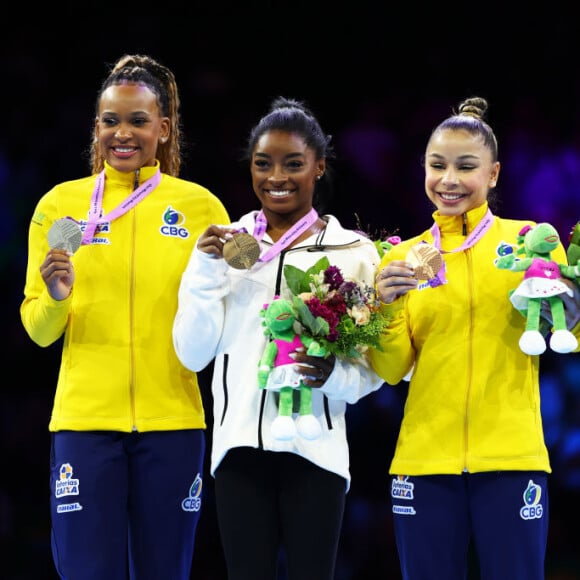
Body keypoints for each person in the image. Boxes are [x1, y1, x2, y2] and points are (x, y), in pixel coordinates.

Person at [20, 54, 230, 580]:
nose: (123, 133)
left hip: (174, 424)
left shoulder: (202, 207)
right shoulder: (61, 207)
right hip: (85, 427)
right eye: (111, 120)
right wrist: (58, 295)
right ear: (97, 127)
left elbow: (238, 301)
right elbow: (40, 332)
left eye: (138, 121)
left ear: (163, 128)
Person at [172, 96, 385, 580]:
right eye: (263, 164)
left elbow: (376, 369)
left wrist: (333, 378)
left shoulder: (356, 253)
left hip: (317, 451)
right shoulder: (225, 247)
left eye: (294, 164)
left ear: (319, 168)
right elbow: (192, 352)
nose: (277, 177)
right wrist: (205, 269)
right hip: (238, 452)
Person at [369, 96, 580, 580]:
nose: (449, 180)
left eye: (466, 166)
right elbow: (391, 369)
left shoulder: (529, 243)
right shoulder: (400, 259)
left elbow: (570, 329)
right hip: (424, 463)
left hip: (511, 460)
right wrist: (383, 308)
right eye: (437, 165)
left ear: (494, 174)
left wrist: (572, 306)